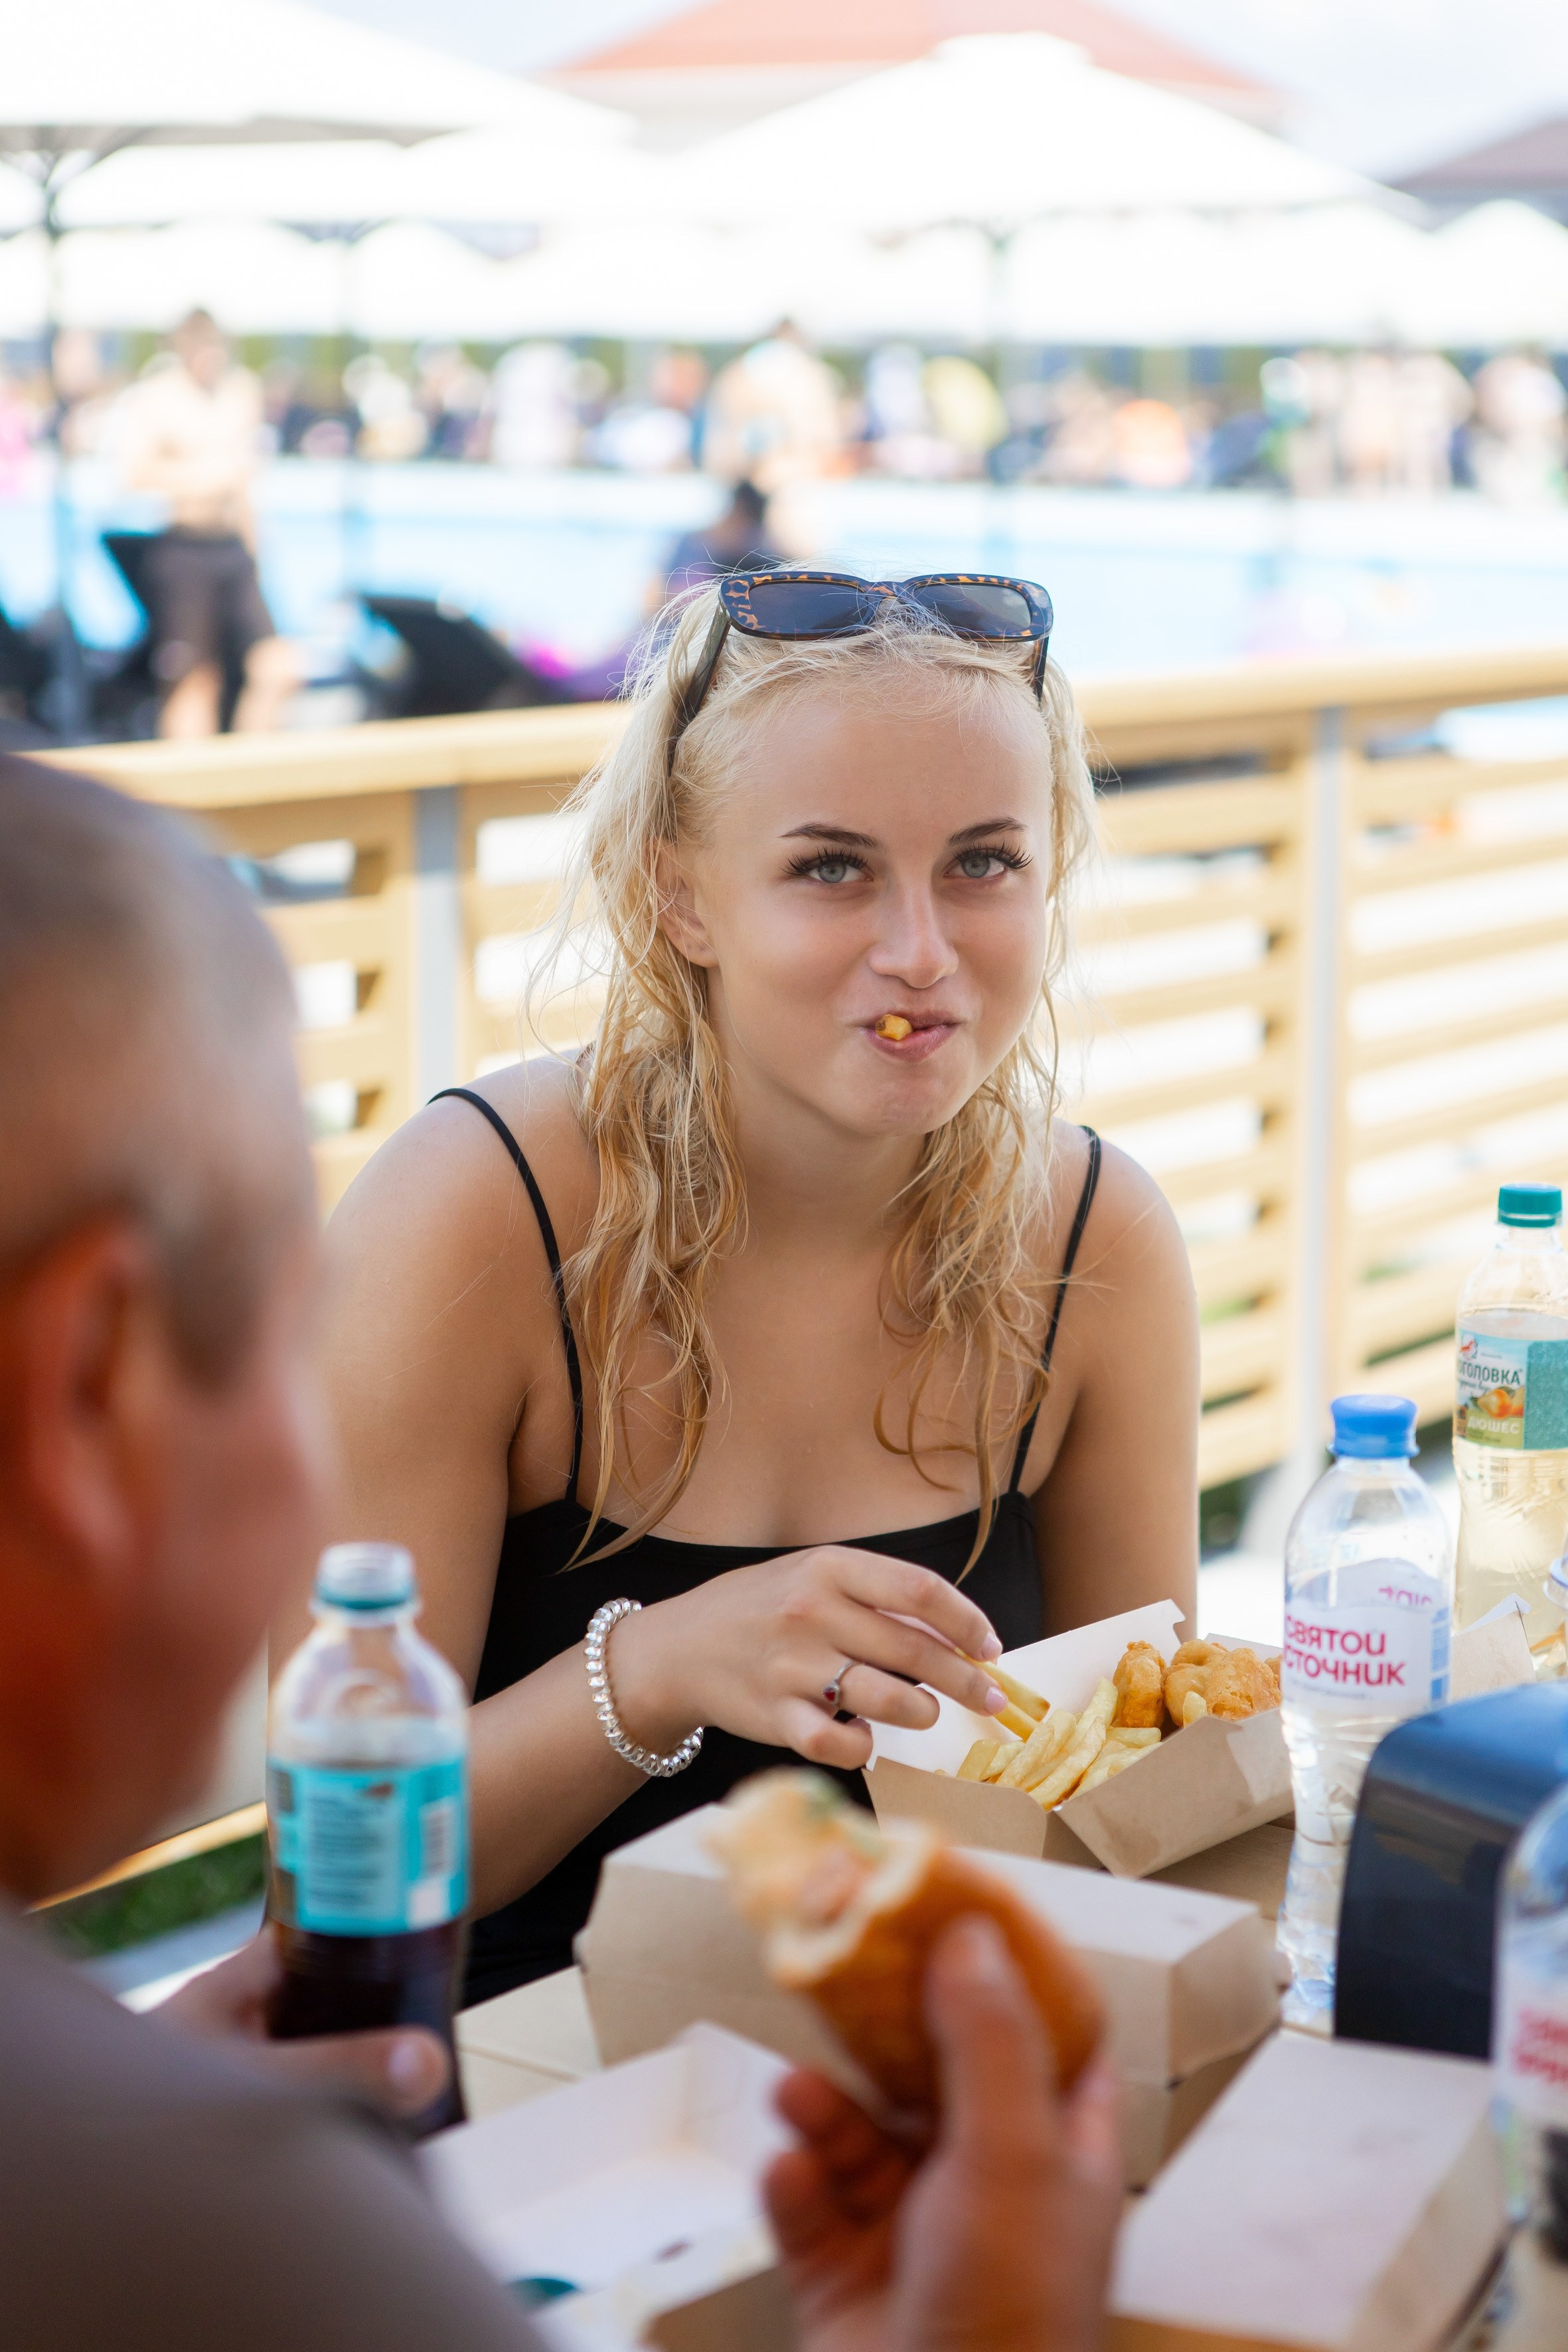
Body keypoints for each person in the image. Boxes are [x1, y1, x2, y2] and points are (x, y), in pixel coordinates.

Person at [0, 751, 1123, 2351]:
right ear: (82, 1386)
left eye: (983, 862)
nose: (917, 951)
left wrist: (157, 2092)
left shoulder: (133, 2167)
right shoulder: (211, 2235)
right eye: (274, 1319)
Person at [311, 575, 1202, 2007]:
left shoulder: (1095, 1243)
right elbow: (326, 1871)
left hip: (912, 2081)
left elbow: (1139, 1816)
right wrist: (651, 1669)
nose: (921, 951)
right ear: (679, 894)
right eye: (831, 868)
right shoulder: (479, 1211)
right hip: (509, 2082)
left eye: (982, 862)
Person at [114, 309, 296, 738]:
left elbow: (245, 484)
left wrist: (255, 545)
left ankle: (251, 771)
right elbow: (133, 474)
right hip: (185, 549)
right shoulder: (159, 397)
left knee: (277, 669)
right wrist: (204, 476)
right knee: (194, 682)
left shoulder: (240, 392)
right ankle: (190, 777)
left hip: (231, 547)